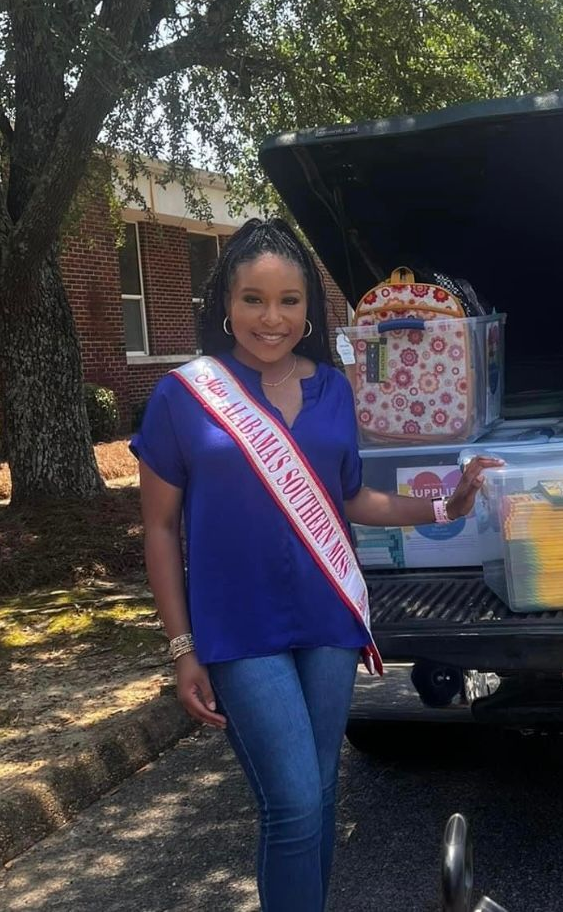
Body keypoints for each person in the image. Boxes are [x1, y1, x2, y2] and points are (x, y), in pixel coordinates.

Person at [132, 218, 500, 912]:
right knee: (294, 802)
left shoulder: (333, 387)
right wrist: (181, 645)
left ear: (308, 307)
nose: (271, 318)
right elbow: (157, 526)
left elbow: (351, 496)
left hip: (327, 619)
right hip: (237, 630)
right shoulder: (185, 395)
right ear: (225, 304)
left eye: (288, 300)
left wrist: (445, 505)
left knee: (322, 794)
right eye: (252, 298)